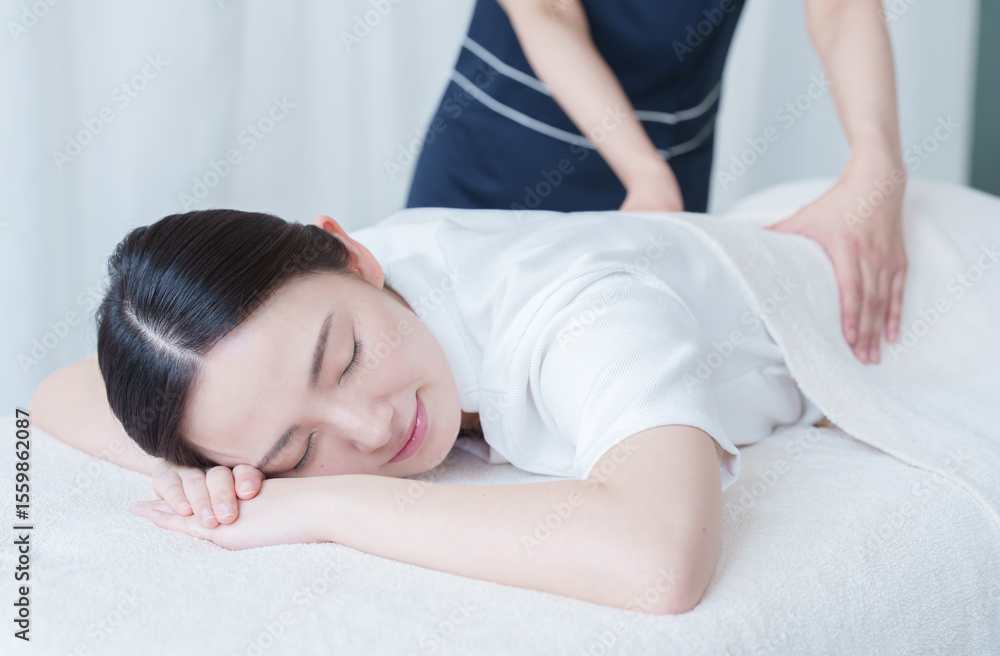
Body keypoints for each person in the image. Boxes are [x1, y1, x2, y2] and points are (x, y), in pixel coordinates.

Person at [30, 207, 828, 615]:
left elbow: (659, 558)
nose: (371, 428)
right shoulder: (302, 306)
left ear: (354, 255)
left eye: (345, 360)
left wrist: (320, 502)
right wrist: (193, 465)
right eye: (296, 450)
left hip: (848, 310)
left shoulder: (582, 310)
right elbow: (58, 391)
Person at [405, 0, 909, 368]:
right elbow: (545, 6)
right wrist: (643, 172)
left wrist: (877, 161)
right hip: (497, 176)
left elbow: (842, 2)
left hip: (663, 186)